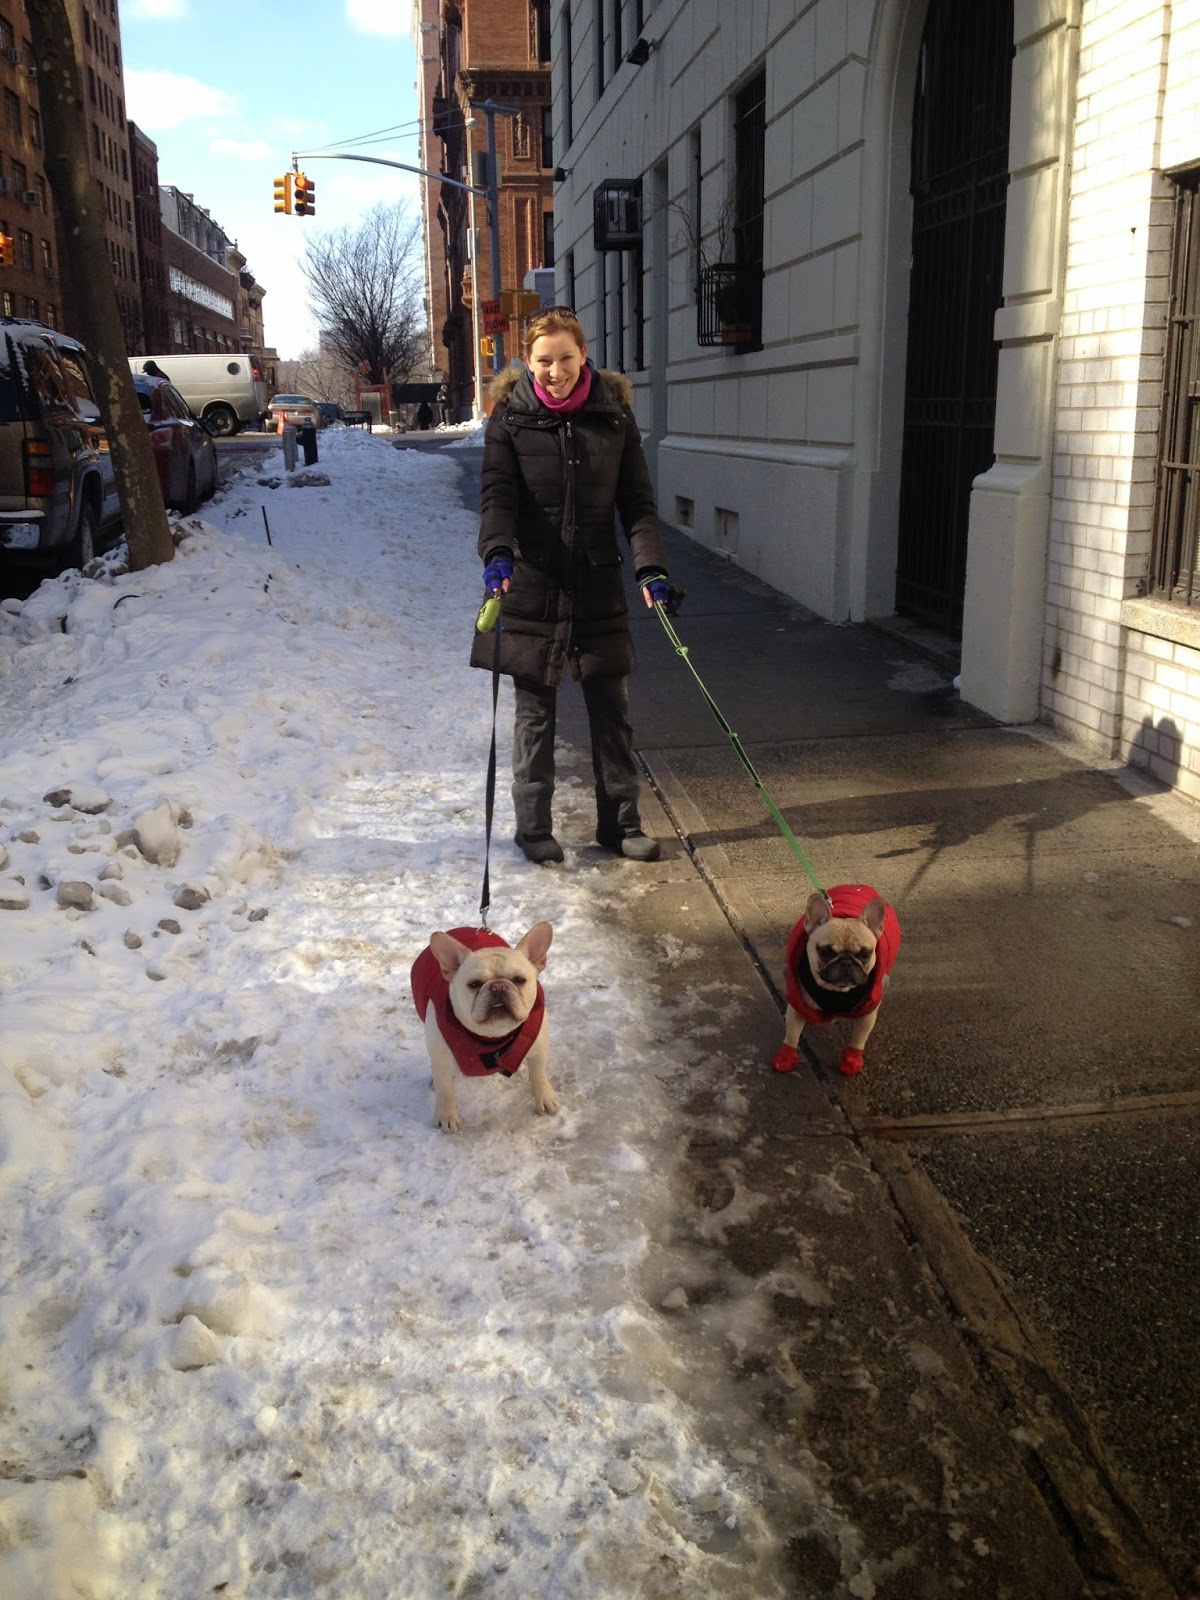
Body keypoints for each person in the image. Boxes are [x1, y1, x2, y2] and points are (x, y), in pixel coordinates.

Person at [470, 306, 673, 865]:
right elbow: (498, 498)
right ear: (527, 362)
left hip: (598, 587)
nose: (554, 370)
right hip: (532, 586)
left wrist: (650, 567)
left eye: (564, 357)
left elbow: (638, 506)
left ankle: (622, 825)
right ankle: (534, 830)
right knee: (535, 718)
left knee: (612, 711)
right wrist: (497, 554)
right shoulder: (509, 417)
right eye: (543, 360)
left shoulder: (614, 416)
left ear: (584, 354)